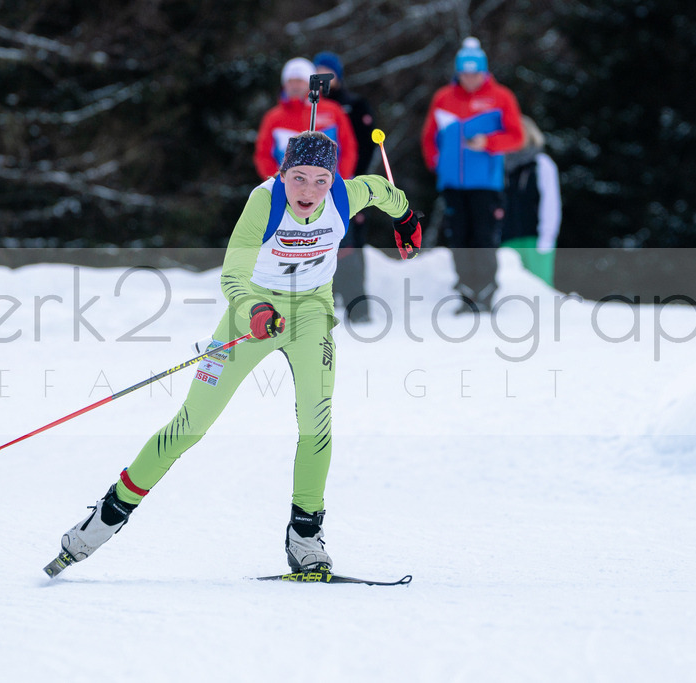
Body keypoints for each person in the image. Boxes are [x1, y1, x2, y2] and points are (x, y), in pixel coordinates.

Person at [54, 131, 422, 575]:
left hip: (311, 312)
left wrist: (407, 221)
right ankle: (105, 518)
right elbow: (232, 276)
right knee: (191, 425)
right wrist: (255, 310)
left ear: (333, 180)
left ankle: (305, 535)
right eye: (299, 178)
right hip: (252, 313)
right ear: (282, 174)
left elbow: (384, 190)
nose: (309, 190)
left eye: (320, 180)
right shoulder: (264, 203)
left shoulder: (345, 195)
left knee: (317, 422)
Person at [421, 37, 524, 313]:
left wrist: (489, 143)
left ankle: (486, 292)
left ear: (484, 72)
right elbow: (429, 137)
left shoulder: (501, 97)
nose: (470, 80)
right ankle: (466, 293)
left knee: (484, 237)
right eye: (464, 74)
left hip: (486, 183)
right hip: (452, 184)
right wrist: (437, 163)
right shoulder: (443, 98)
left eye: (475, 74)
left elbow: (517, 136)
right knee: (459, 238)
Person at [313, 51, 376, 323]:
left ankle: (357, 305)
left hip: (349, 183)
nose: (324, 78)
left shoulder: (354, 105)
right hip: (316, 188)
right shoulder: (311, 105)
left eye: (328, 72)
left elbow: (364, 147)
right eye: (318, 72)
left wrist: (354, 181)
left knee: (352, 244)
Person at [254, 57, 358, 181]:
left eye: (299, 81)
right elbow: (263, 155)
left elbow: (348, 147)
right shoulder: (273, 118)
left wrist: (339, 179)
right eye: (290, 81)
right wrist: (278, 182)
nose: (294, 86)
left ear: (310, 83)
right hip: (288, 187)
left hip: (331, 184)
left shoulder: (333, 111)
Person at [501, 116, 561, 287]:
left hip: (536, 240)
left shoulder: (542, 163)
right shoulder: (499, 165)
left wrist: (547, 236)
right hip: (506, 240)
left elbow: (551, 203)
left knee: (540, 290)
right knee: (510, 291)